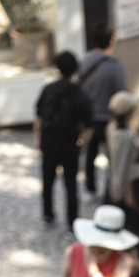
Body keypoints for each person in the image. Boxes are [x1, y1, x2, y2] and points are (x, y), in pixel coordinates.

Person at [34, 50, 93, 231]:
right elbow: (89, 126)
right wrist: (83, 144)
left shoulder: (48, 89)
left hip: (50, 141)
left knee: (48, 180)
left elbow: (38, 117)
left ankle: (48, 214)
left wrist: (38, 139)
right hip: (70, 143)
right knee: (70, 183)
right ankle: (72, 220)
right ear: (75, 70)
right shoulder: (80, 94)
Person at [78, 23, 127, 198]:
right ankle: (109, 191)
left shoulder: (84, 61)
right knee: (112, 157)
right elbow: (121, 95)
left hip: (89, 118)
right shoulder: (115, 67)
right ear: (112, 40)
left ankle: (89, 189)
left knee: (90, 154)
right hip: (109, 118)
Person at [105, 90, 139, 232]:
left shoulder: (113, 126)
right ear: (128, 113)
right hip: (128, 189)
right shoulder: (123, 136)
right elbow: (120, 167)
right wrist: (124, 194)